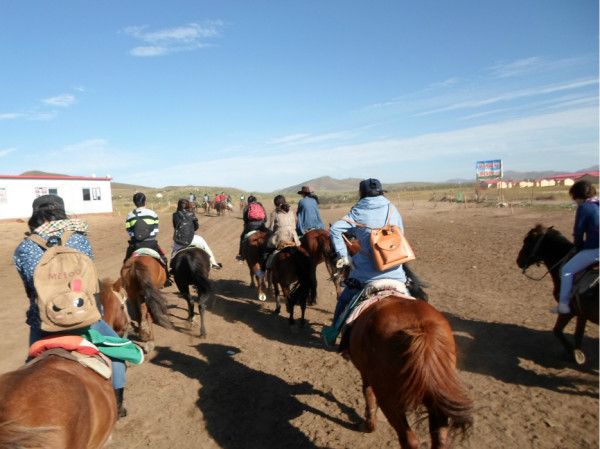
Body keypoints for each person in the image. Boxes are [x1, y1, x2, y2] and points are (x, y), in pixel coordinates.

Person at [13, 194, 128, 416]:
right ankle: (118, 404)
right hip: (85, 320)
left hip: (45, 324)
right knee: (118, 354)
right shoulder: (79, 239)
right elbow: (91, 283)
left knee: (29, 367)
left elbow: (31, 291)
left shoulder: (23, 248)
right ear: (62, 212)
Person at [321, 178, 408, 347]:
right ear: (381, 192)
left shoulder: (358, 211)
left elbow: (335, 230)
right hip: (396, 271)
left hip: (365, 276)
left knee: (344, 300)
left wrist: (344, 256)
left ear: (362, 193)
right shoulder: (392, 209)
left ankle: (333, 333)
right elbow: (400, 233)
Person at [552, 180, 599, 314]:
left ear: (578, 196)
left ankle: (564, 305)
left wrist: (578, 247)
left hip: (596, 249)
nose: (574, 200)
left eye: (574, 197)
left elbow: (578, 232)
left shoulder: (584, 208)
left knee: (566, 270)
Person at [124, 192, 171, 286]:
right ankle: (166, 280)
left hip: (135, 244)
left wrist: (137, 237)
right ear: (145, 201)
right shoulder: (152, 213)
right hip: (151, 243)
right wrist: (149, 236)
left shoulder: (129, 215)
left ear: (134, 202)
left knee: (126, 262)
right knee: (163, 259)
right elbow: (155, 230)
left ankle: (125, 281)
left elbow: (129, 231)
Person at [171, 199, 222, 269]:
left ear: (179, 205)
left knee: (174, 251)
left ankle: (172, 267)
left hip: (180, 240)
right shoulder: (191, 213)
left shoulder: (175, 215)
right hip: (193, 238)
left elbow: (175, 226)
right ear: (188, 205)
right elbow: (196, 227)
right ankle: (214, 263)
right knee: (206, 247)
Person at [264, 195, 301, 265]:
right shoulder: (291, 211)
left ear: (275, 203)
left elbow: (271, 228)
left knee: (267, 251)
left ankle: (264, 269)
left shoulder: (274, 213)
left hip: (280, 238)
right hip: (293, 238)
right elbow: (294, 225)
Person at [236, 195, 268, 261]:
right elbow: (266, 219)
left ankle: (241, 254)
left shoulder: (247, 207)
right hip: (261, 225)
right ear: (256, 200)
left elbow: (245, 219)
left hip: (250, 226)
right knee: (268, 236)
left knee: (242, 237)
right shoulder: (260, 206)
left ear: (248, 201)